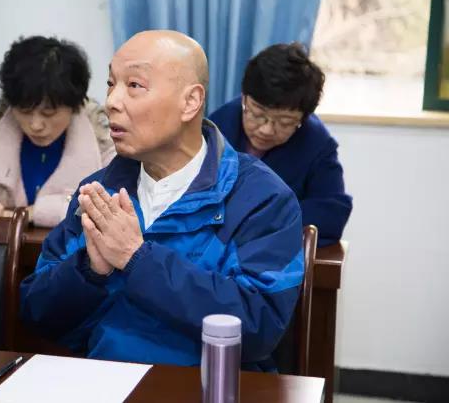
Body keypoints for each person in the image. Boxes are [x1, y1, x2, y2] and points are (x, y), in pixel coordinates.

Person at [19, 31, 304, 371]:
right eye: (111, 84)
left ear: (190, 102)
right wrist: (89, 271)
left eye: (134, 85)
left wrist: (137, 259)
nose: (112, 102)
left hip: (209, 387)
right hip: (105, 381)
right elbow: (37, 313)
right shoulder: (99, 191)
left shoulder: (261, 198)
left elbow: (259, 327)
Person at [0, 35, 116, 227]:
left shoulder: (104, 143)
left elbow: (117, 207)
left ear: (75, 106)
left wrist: (35, 213)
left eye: (48, 113)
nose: (35, 125)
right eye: (24, 111)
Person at [209, 43, 352, 246]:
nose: (267, 130)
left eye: (284, 122)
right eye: (257, 114)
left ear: (303, 118)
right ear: (244, 98)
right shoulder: (217, 127)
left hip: (273, 254)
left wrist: (261, 220)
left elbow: (331, 213)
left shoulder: (318, 144)